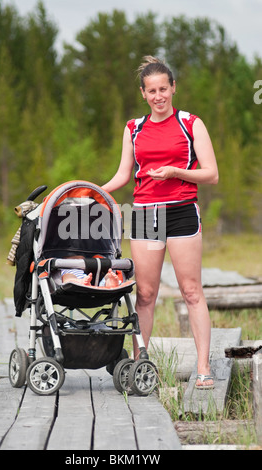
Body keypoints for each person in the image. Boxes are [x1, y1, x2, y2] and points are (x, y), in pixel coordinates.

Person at [102, 56, 218, 390]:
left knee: (192, 291)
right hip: (145, 215)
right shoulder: (133, 128)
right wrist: (92, 190)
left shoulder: (190, 123)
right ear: (143, 93)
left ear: (173, 88)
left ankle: (203, 367)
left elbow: (211, 174)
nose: (158, 96)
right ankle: (141, 365)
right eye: (151, 90)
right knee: (146, 294)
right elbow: (124, 175)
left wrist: (176, 172)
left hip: (182, 212)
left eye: (163, 89)